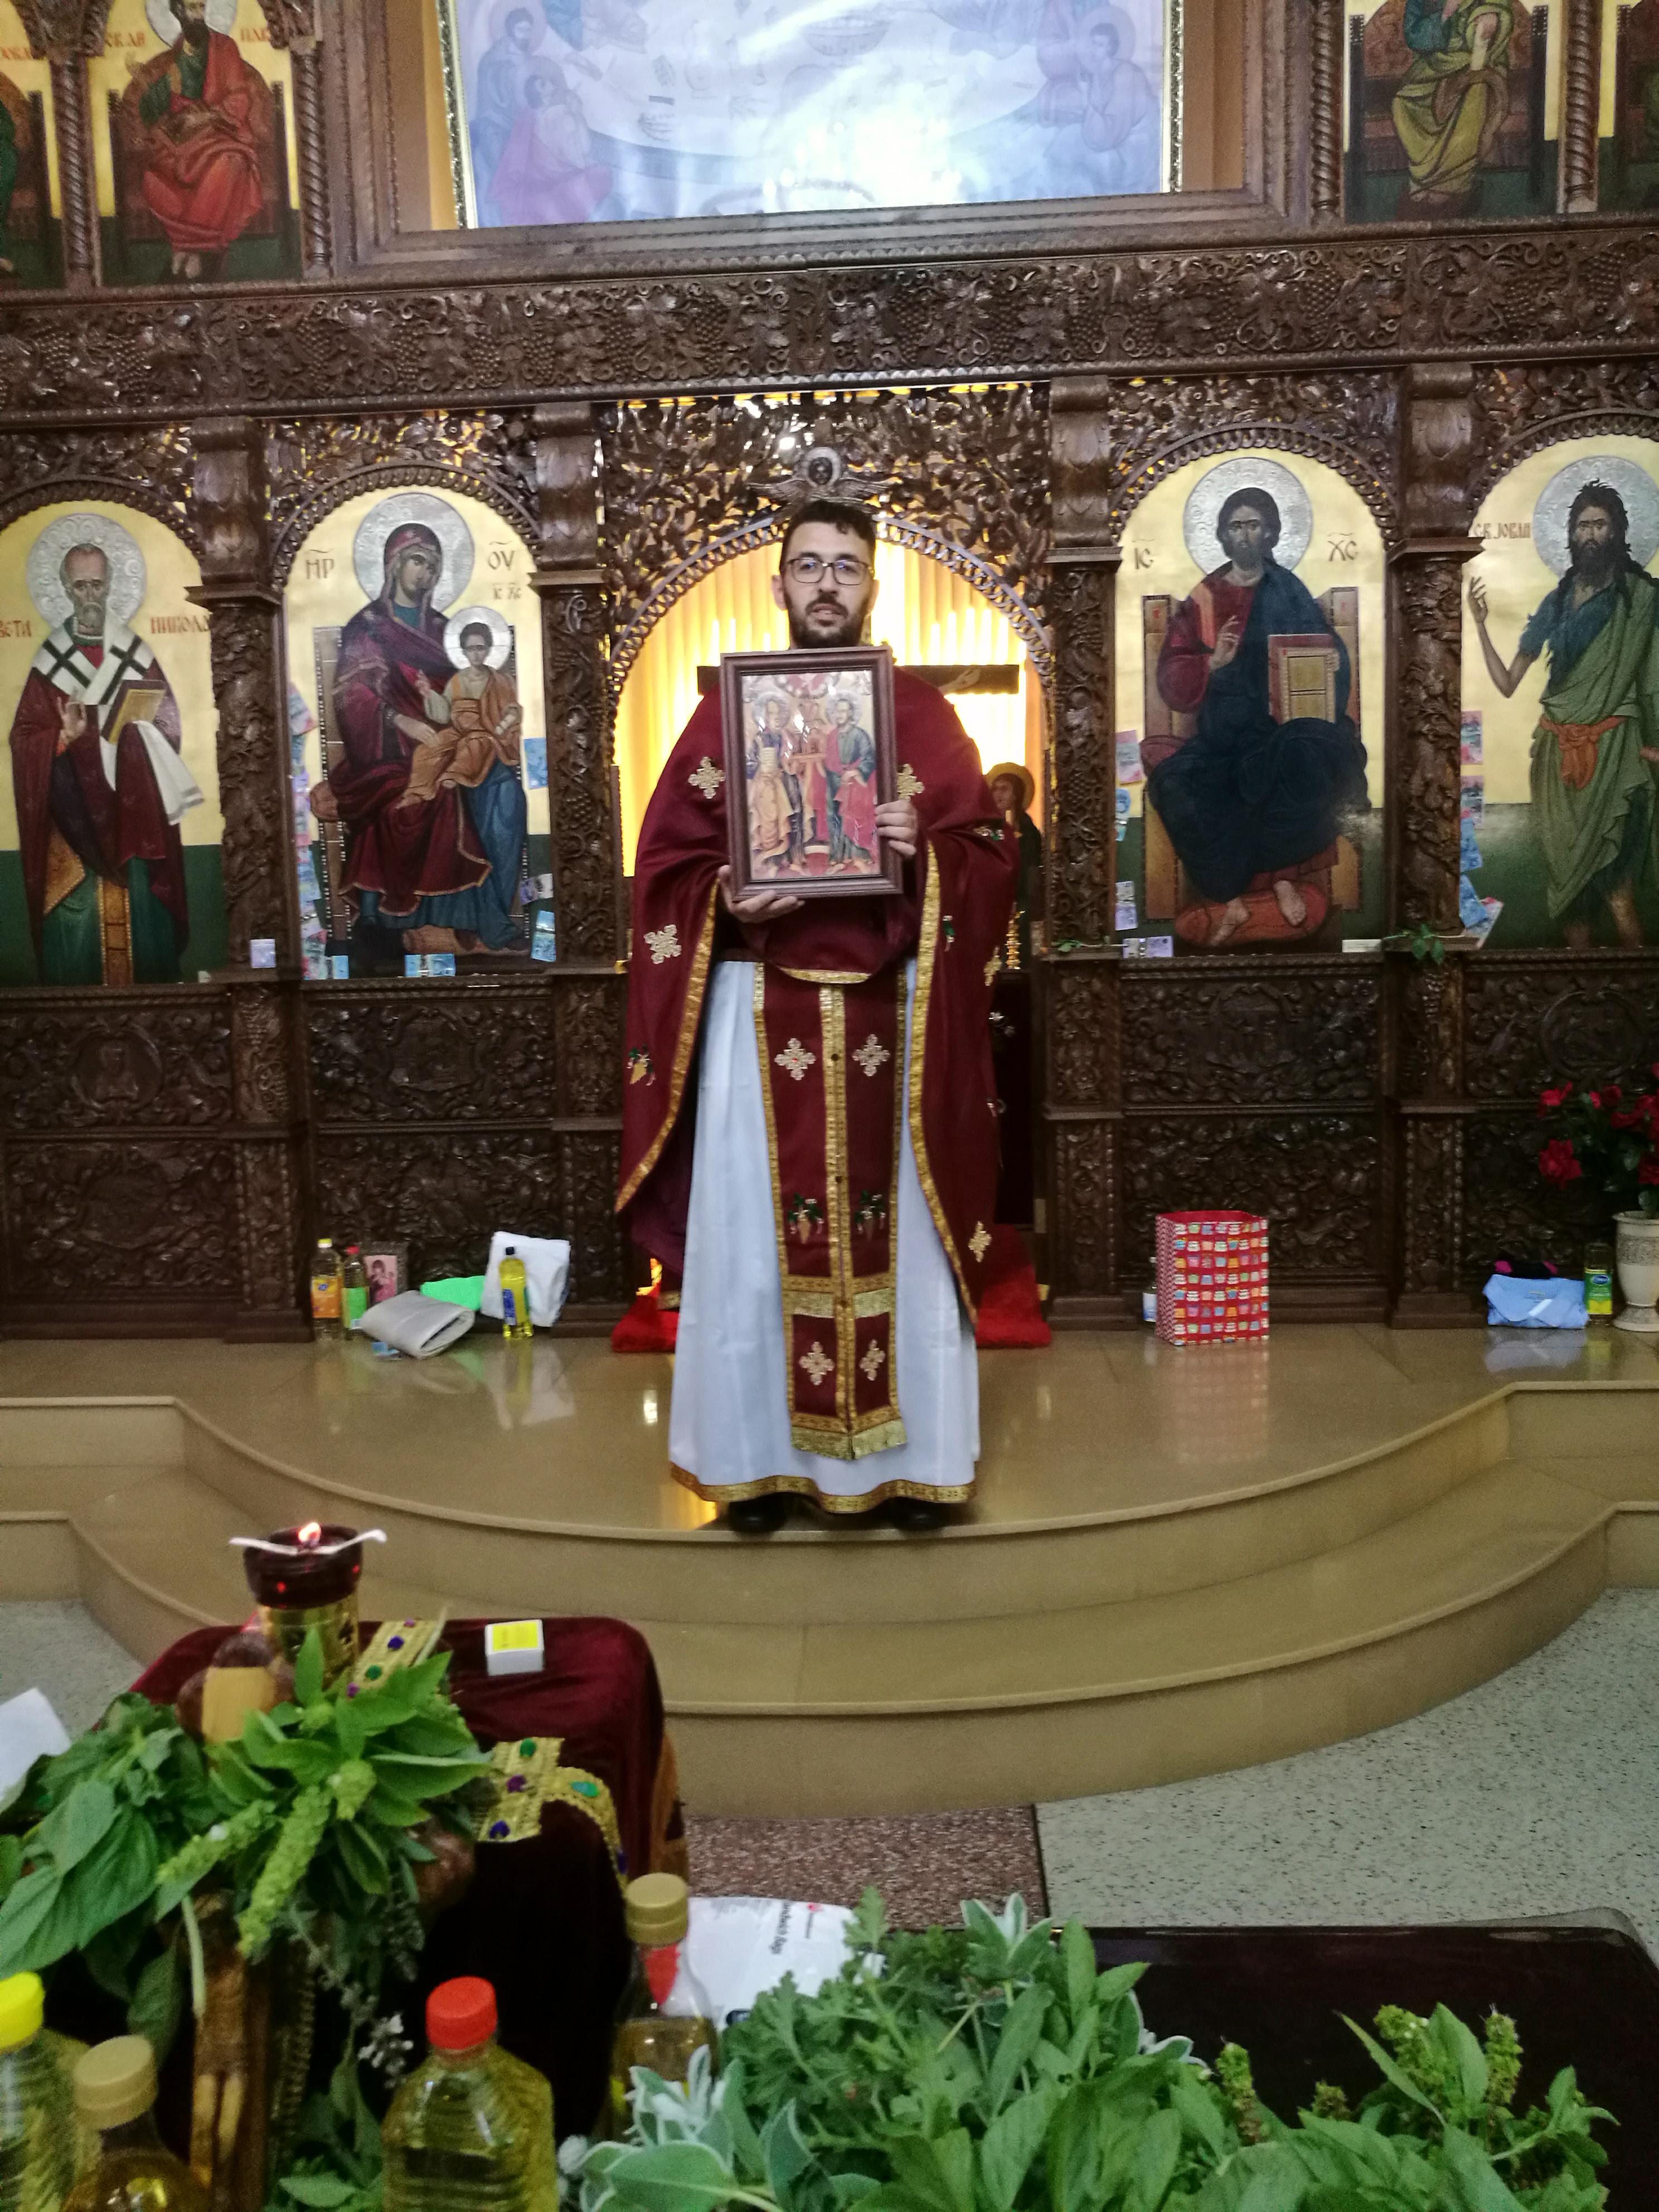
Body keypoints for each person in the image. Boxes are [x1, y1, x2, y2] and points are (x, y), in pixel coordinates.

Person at [619, 497, 1016, 1534]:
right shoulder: (723, 715)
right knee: (753, 1244)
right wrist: (724, 896)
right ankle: (756, 1466)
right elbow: (665, 869)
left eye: (846, 564)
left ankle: (915, 1467)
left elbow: (988, 860)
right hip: (757, 1014)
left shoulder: (922, 716)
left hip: (896, 1014)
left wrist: (924, 850)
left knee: (905, 1246)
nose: (827, 582)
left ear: (873, 583)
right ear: (779, 583)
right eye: (809, 565)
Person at [1148, 486, 1369, 948]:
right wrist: (1212, 664)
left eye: (1253, 525)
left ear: (1270, 532)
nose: (1245, 535)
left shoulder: (1287, 589)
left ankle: (1282, 877)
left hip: (1279, 726)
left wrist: (1332, 659)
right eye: (1236, 526)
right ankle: (1231, 899)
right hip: (1222, 737)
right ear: (1222, 535)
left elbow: (1323, 645)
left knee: (1306, 759)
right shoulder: (1205, 597)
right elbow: (1171, 671)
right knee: (1172, 785)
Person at [318, 523, 527, 959]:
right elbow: (352, 696)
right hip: (385, 749)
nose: (425, 573)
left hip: (453, 737)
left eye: (433, 566)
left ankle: (489, 920)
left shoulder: (445, 630)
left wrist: (479, 721)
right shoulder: (369, 627)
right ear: (394, 564)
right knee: (422, 797)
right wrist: (400, 721)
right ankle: (412, 923)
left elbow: (467, 691)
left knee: (506, 796)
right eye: (417, 561)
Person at [1469, 481, 1659, 948]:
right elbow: (1508, 682)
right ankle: (1576, 987)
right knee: (1572, 900)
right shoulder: (1557, 601)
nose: (1591, 535)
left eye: (1600, 525)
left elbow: (1653, 679)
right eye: (1583, 526)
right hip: (1557, 759)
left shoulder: (1641, 598)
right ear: (1571, 535)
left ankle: (1638, 991)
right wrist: (1479, 624)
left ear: (1617, 532)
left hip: (1613, 755)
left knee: (1618, 894)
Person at [8, 541, 200, 984]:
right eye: (80, 586)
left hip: (132, 816)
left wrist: (136, 734)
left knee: (142, 921)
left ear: (111, 585)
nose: (90, 595)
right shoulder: (50, 661)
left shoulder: (136, 654)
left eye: (97, 584)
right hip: (71, 820)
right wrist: (62, 738)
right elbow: (24, 739)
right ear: (65, 590)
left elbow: (169, 726)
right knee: (75, 933)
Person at [128, 0, 264, 280]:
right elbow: (151, 107)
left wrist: (206, 116)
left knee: (230, 162)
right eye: (191, 8)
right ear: (178, 12)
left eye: (201, 7)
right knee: (158, 173)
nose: (198, 15)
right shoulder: (172, 60)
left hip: (221, 133)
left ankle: (192, 251)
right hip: (179, 139)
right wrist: (149, 84)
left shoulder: (225, 49)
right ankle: (195, 253)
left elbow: (239, 98)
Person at [1391, 0, 1512, 214]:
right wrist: (1445, 14)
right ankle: (1423, 180)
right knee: (1401, 104)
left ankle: (1453, 186)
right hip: (1433, 66)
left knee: (1474, 94)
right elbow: (1415, 36)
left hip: (1477, 58)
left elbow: (1500, 8)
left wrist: (1491, 15)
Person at [398, 622, 523, 808]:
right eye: (471, 649)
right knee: (428, 748)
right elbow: (444, 715)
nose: (476, 654)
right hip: (458, 731)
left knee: (473, 744)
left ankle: (454, 775)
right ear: (464, 651)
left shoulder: (501, 681)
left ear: (488, 649)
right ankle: (418, 791)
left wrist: (502, 726)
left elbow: (512, 709)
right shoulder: (457, 681)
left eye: (480, 648)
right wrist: (428, 693)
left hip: (487, 732)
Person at [987, 760, 1043, 966]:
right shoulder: (988, 829)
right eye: (995, 789)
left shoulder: (1029, 831)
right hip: (994, 905)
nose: (998, 795)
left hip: (1023, 906)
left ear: (1017, 794)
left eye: (1004, 789)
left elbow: (1033, 872)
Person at [826, 693, 877, 867]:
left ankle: (855, 853)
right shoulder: (831, 736)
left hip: (854, 783)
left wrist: (854, 772)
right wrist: (837, 774)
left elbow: (868, 758)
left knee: (852, 816)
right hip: (834, 780)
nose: (840, 715)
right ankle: (837, 855)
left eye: (844, 711)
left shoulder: (860, 735)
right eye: (837, 711)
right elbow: (829, 759)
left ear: (850, 713)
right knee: (833, 816)